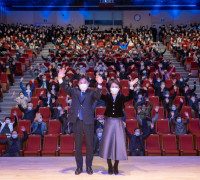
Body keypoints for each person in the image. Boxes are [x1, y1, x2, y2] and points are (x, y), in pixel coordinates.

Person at [58, 68, 103, 175]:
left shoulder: (92, 92)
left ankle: (89, 167)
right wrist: (60, 78)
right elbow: (65, 87)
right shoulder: (74, 91)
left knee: (89, 146)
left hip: (88, 122)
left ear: (88, 84)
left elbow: (98, 95)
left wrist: (100, 84)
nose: (83, 84)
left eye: (85, 82)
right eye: (81, 82)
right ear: (78, 84)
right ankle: (79, 167)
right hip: (77, 121)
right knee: (77, 146)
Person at [99, 78, 138, 175]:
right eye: (112, 87)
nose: (114, 88)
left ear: (119, 88)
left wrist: (131, 86)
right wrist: (99, 84)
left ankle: (116, 165)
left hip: (118, 122)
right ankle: (109, 165)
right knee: (108, 144)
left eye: (116, 87)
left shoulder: (121, 97)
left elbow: (130, 97)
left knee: (118, 144)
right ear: (109, 88)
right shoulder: (107, 96)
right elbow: (99, 95)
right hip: (108, 122)